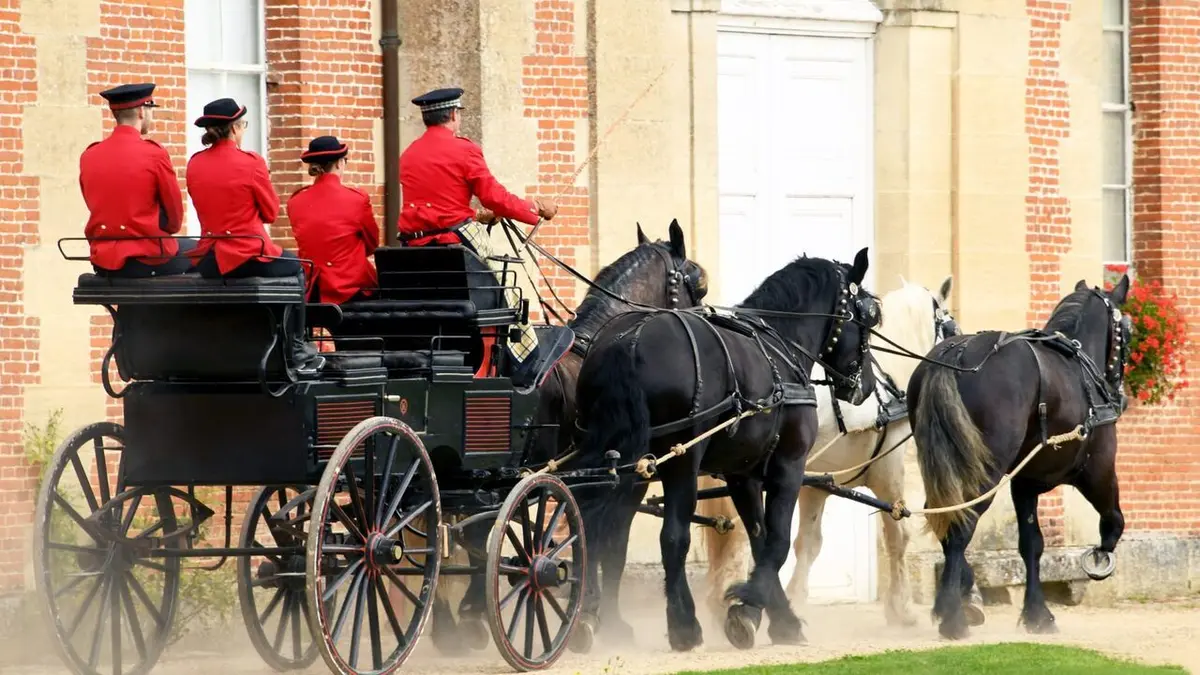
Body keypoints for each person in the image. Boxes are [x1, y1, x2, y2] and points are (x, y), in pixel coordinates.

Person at [398, 86, 573, 391]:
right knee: (513, 287)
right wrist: (535, 208)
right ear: (453, 115)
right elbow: (494, 196)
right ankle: (524, 358)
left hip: (414, 247)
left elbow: (435, 204)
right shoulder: (464, 149)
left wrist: (477, 215)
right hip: (455, 244)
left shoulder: (409, 153)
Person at [186, 97, 324, 375]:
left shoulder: (195, 163)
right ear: (235, 129)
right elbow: (271, 212)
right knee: (297, 268)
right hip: (246, 255)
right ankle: (296, 349)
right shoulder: (250, 163)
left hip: (210, 259)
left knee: (285, 261)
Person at [80, 82, 194, 277]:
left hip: (104, 259)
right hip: (148, 256)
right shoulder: (154, 154)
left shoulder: (89, 155)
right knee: (204, 252)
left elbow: (94, 204)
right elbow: (174, 220)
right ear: (142, 110)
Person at [287, 136, 380, 306]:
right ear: (339, 163)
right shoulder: (356, 199)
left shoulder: (295, 201)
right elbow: (372, 244)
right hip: (352, 287)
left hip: (314, 288)